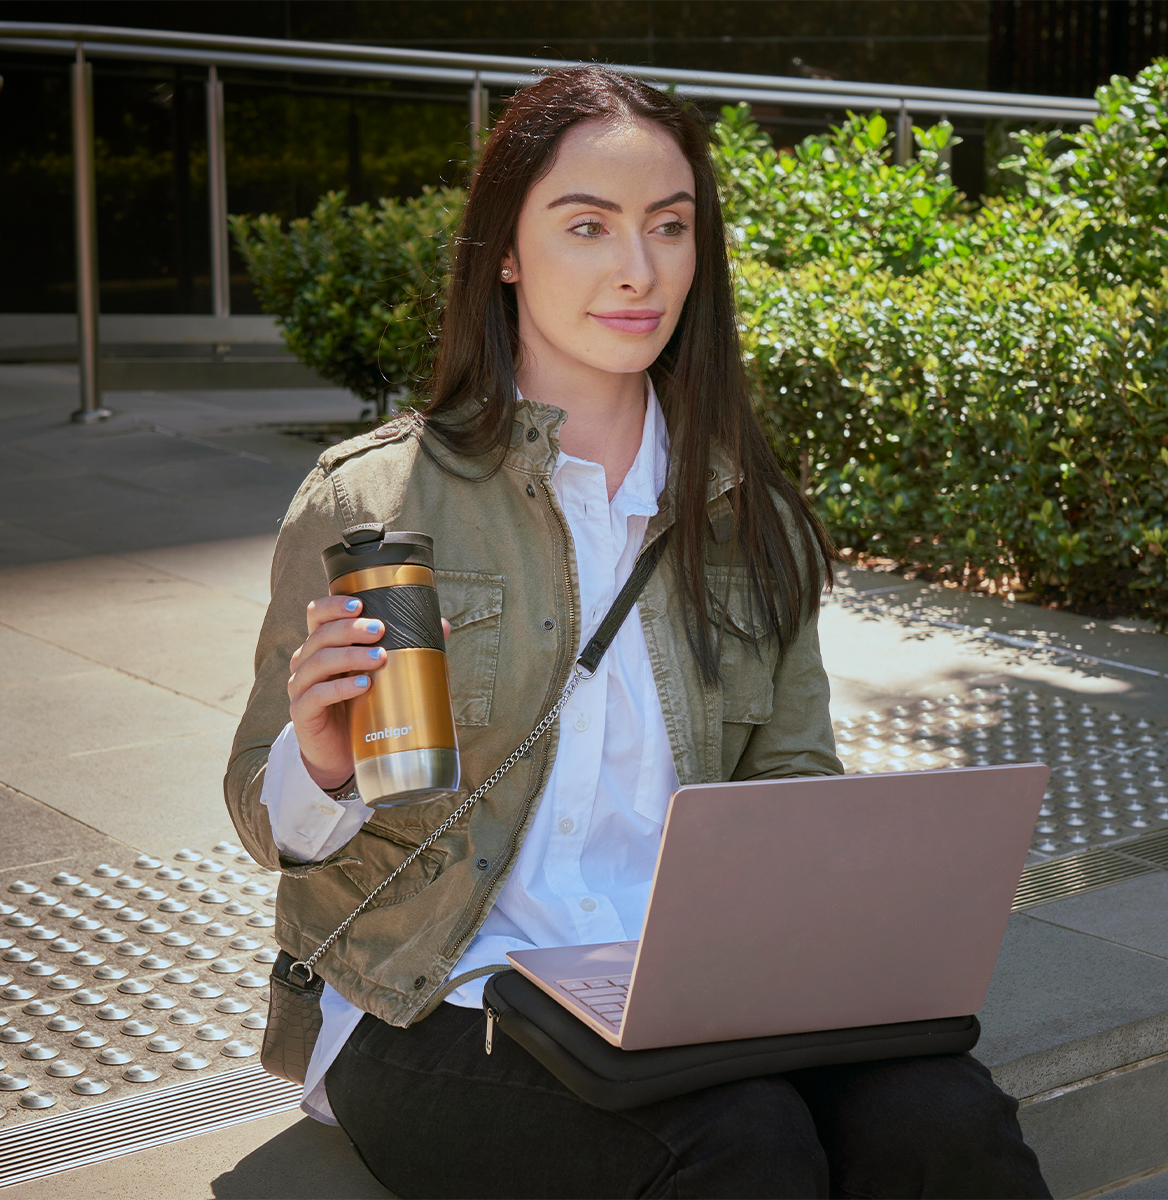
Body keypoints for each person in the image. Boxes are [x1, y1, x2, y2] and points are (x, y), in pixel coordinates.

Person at [226, 66, 1050, 1199]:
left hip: (691, 985)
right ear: (506, 251)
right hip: (432, 990)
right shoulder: (377, 497)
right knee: (739, 1143)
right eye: (588, 225)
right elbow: (260, 816)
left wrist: (858, 895)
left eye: (670, 226)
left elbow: (795, 777)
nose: (638, 268)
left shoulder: (748, 510)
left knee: (944, 1122)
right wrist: (320, 763)